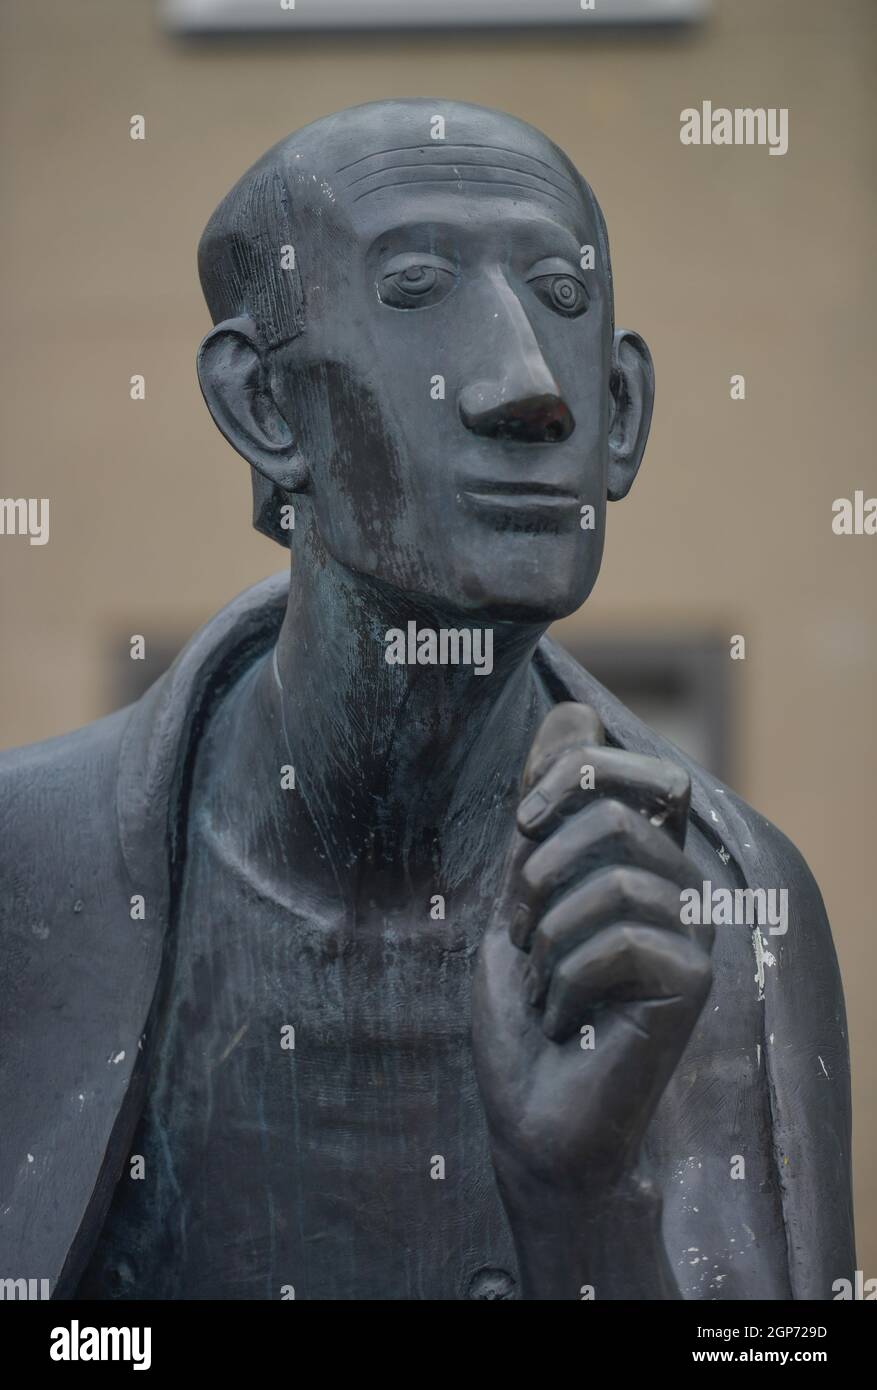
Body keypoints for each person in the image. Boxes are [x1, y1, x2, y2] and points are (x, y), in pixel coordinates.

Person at [0, 100, 854, 1300]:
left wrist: (586, 1211)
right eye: (416, 289)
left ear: (622, 414)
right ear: (264, 408)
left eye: (560, 296)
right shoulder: (27, 876)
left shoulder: (722, 906)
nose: (524, 388)